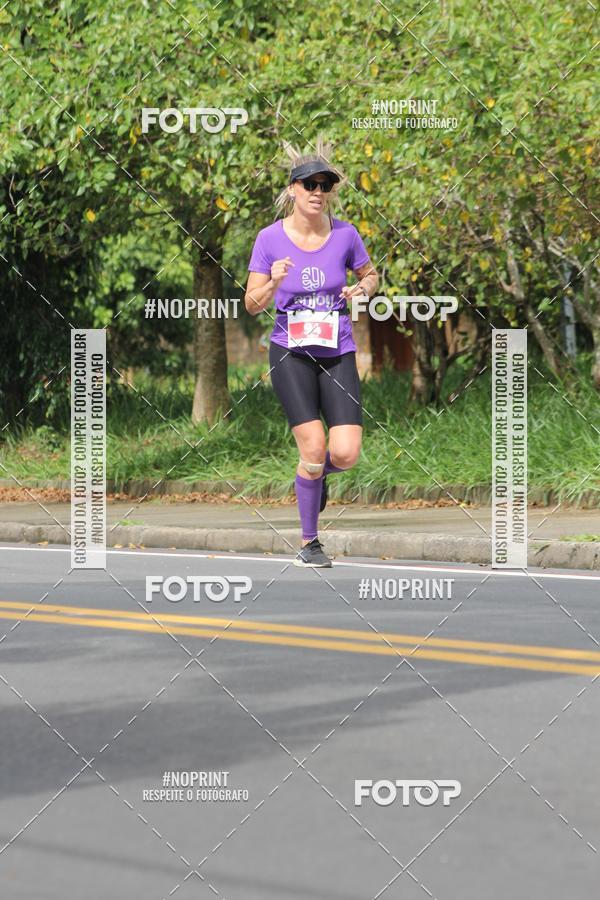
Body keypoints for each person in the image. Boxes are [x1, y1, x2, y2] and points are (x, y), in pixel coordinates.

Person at [245, 140, 378, 567]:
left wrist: (363, 288)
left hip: (337, 350)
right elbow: (252, 303)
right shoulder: (269, 239)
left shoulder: (345, 234)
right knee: (314, 446)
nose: (318, 192)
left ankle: (314, 475)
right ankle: (309, 542)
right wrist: (272, 281)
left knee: (344, 453)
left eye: (326, 185)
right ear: (293, 190)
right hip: (291, 354)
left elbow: (370, 274)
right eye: (310, 184)